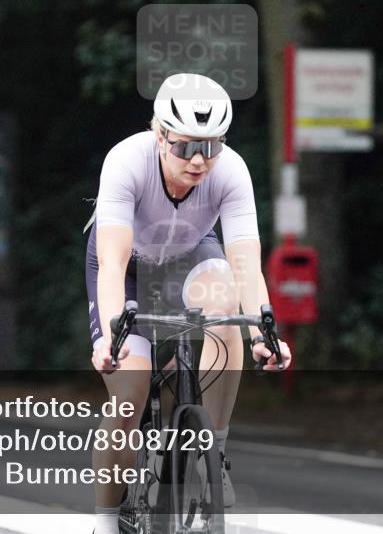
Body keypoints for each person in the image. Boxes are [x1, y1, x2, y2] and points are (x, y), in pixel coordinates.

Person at [86, 72, 292, 534]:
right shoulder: (126, 161)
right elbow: (114, 260)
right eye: (185, 147)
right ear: (160, 135)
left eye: (212, 146)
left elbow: (245, 264)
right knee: (129, 400)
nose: (200, 160)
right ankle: (104, 522)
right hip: (131, 269)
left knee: (227, 312)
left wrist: (264, 332)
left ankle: (212, 451)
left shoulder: (232, 170)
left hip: (192, 256)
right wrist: (112, 335)